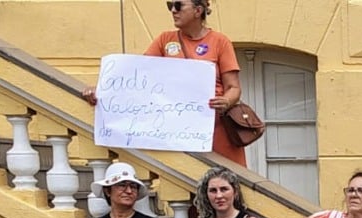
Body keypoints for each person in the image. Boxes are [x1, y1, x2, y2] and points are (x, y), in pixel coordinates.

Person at [81, 0, 245, 165]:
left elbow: (233, 87)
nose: (173, 10)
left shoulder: (219, 41)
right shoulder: (165, 40)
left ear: (198, 10)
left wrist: (226, 101)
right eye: (170, 6)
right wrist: (103, 90)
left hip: (215, 126)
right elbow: (137, 75)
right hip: (176, 131)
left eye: (178, 6)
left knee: (225, 176)